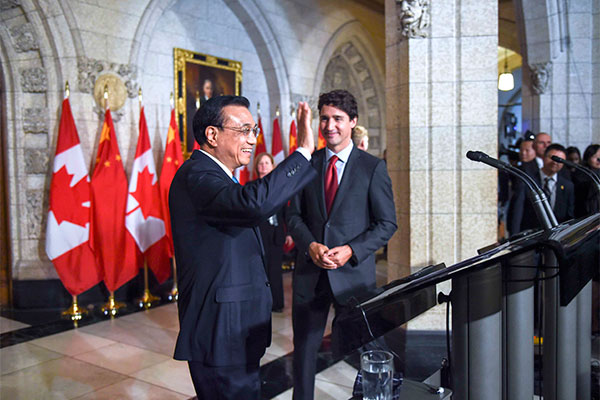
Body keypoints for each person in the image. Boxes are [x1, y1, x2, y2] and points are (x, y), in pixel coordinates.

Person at [169, 96, 317, 400]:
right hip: (220, 331)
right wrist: (302, 152)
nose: (252, 139)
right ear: (212, 135)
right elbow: (253, 204)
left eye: (255, 131)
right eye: (244, 130)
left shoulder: (219, 176)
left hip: (236, 328)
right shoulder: (197, 174)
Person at [286, 89, 397, 400]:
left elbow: (387, 223)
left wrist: (351, 250)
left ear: (353, 122)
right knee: (305, 349)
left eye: (337, 119)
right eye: (324, 118)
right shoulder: (308, 164)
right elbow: (293, 215)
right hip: (311, 273)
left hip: (353, 278)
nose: (329, 125)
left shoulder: (372, 168)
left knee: (370, 347)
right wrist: (309, 246)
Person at [253, 152, 294, 312]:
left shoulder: (279, 187)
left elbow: (286, 212)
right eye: (260, 164)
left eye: (266, 163)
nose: (263, 166)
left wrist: (289, 233)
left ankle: (277, 303)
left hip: (277, 234)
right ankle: (262, 304)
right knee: (261, 270)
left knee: (275, 271)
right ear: (257, 167)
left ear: (272, 166)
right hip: (260, 235)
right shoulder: (252, 187)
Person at [507, 143, 574, 235]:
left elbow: (569, 216)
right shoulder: (527, 180)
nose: (555, 162)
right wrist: (514, 236)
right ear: (543, 157)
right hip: (529, 236)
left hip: (555, 238)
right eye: (552, 158)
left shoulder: (567, 186)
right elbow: (517, 210)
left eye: (560, 160)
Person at [572, 144, 600, 218]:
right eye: (595, 157)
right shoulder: (580, 173)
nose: (598, 159)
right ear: (588, 157)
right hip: (586, 214)